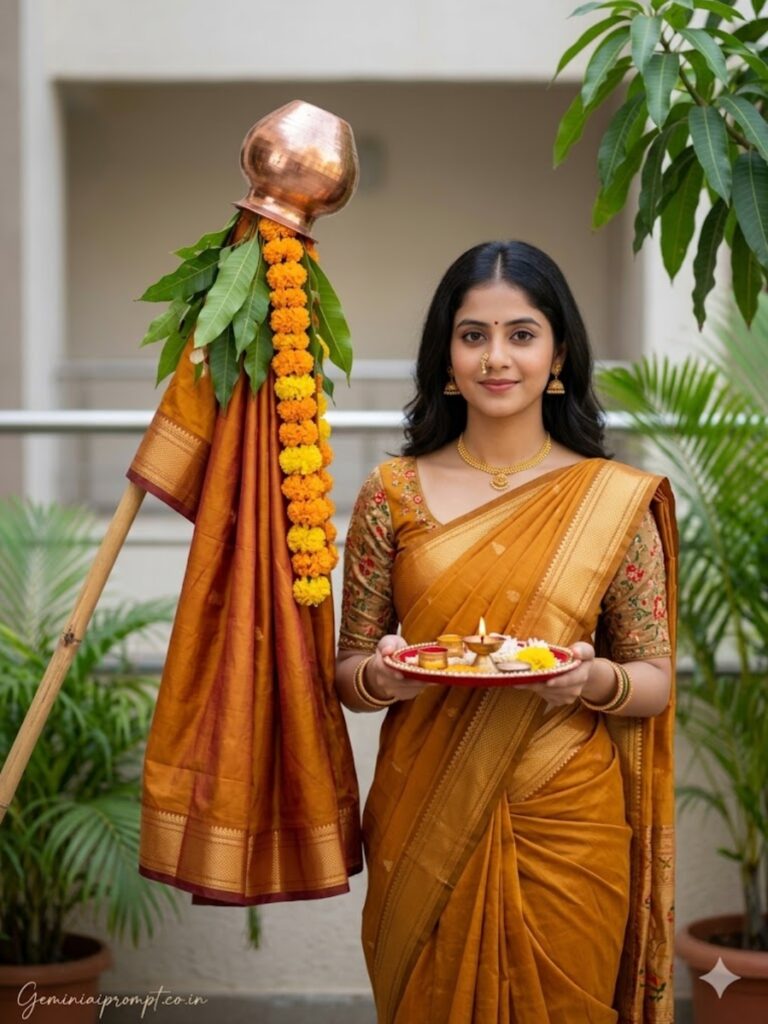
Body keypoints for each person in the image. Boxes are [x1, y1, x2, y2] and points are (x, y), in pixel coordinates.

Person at [335, 241, 677, 1024]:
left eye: (521, 334)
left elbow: (653, 681)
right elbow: (350, 668)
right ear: (445, 355)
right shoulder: (392, 494)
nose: (497, 357)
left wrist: (592, 680)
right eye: (473, 334)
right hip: (423, 812)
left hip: (568, 820)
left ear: (558, 353)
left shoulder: (611, 501)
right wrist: (383, 676)